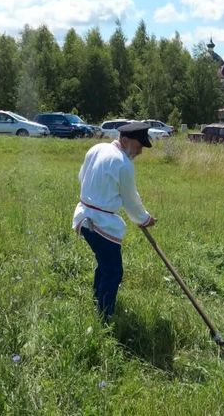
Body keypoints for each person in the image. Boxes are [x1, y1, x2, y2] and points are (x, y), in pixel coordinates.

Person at [72, 122, 157, 320]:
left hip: (83, 217)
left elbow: (82, 176)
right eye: (138, 146)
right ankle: (105, 315)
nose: (140, 152)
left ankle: (97, 299)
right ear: (125, 140)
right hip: (100, 223)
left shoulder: (96, 148)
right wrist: (144, 219)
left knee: (104, 264)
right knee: (113, 271)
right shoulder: (123, 163)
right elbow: (130, 199)